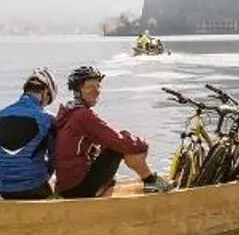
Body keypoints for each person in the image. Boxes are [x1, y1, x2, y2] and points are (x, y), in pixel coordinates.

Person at [53, 65, 166, 197]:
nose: (96, 91)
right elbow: (119, 141)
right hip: (77, 188)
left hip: (65, 185)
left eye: (98, 86)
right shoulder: (83, 115)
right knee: (121, 144)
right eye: (90, 87)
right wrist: (143, 144)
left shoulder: (68, 111)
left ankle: (145, 181)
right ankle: (151, 181)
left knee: (115, 143)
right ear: (78, 91)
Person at [0, 68, 61, 199]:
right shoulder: (48, 119)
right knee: (54, 179)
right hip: (35, 189)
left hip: (5, 190)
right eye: (48, 101)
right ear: (46, 92)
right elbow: (55, 158)